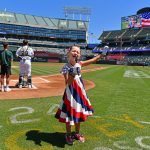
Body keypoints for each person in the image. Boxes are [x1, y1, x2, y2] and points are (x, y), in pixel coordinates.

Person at [55, 45, 108, 145]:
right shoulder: (66, 67)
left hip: (79, 94)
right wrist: (73, 73)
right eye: (74, 51)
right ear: (68, 53)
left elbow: (93, 60)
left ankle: (77, 133)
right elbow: (68, 83)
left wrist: (102, 55)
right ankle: (68, 134)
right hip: (70, 95)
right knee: (69, 115)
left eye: (78, 52)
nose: (76, 53)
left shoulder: (79, 64)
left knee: (78, 113)